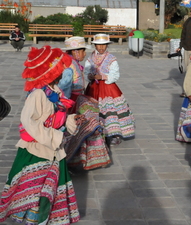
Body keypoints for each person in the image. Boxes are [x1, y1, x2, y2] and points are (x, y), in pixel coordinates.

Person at [0, 45, 81, 224]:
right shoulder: (37, 95)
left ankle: (47, 218)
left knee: (50, 189)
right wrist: (52, 136)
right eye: (61, 69)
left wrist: (72, 120)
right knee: (34, 190)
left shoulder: (56, 93)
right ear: (52, 72)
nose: (64, 73)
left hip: (53, 149)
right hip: (37, 150)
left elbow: (59, 118)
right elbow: (29, 122)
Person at [58, 36, 111, 171]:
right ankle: (74, 159)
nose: (84, 54)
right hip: (72, 103)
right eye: (82, 51)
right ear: (75, 52)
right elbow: (65, 88)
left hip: (77, 99)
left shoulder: (72, 62)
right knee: (80, 127)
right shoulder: (69, 65)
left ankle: (81, 158)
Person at [84, 34, 135, 146]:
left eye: (104, 45)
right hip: (93, 88)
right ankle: (95, 133)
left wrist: (102, 77)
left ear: (107, 45)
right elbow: (86, 71)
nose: (101, 47)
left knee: (109, 110)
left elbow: (115, 75)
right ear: (95, 45)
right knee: (94, 110)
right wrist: (90, 76)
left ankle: (113, 134)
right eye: (98, 45)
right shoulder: (90, 59)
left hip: (108, 88)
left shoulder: (111, 59)